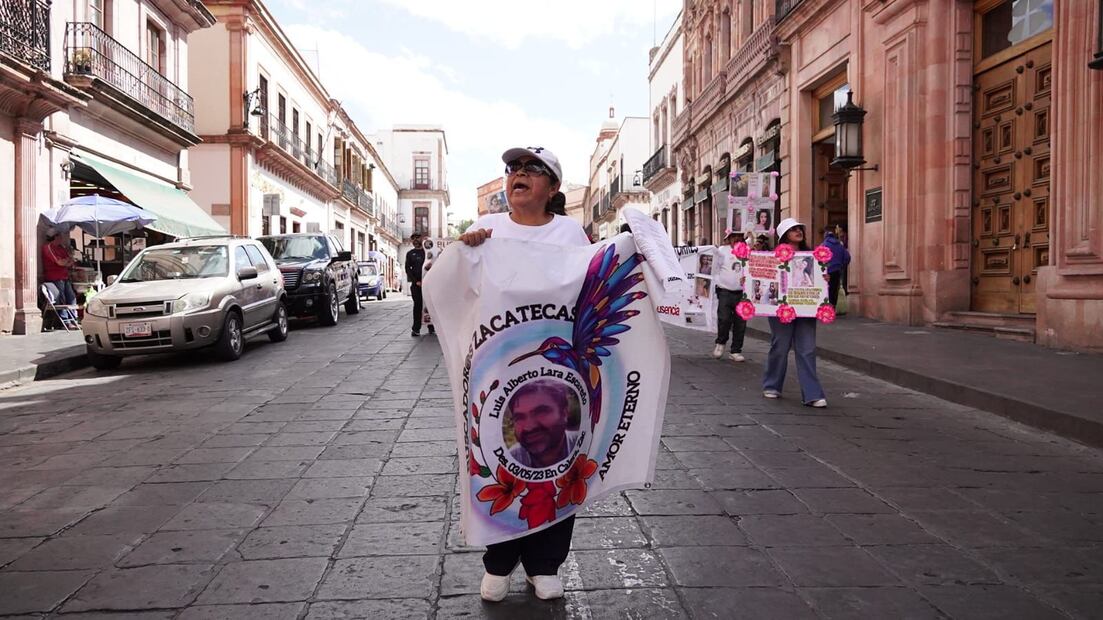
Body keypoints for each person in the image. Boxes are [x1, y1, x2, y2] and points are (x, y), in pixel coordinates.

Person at [459, 145, 589, 602]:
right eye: (513, 167)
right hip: (498, 373)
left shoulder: (571, 233)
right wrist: (464, 252)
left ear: (552, 188)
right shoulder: (486, 229)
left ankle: (544, 564)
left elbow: (592, 288)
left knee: (560, 464)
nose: (519, 174)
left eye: (533, 169)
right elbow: (456, 289)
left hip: (557, 373)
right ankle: (498, 562)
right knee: (498, 459)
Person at [762, 218, 827, 408]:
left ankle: (812, 394)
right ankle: (772, 385)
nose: (799, 231)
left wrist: (824, 278)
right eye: (793, 229)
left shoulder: (812, 257)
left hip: (806, 307)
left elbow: (816, 280)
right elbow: (763, 279)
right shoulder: (773, 257)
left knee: (807, 349)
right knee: (780, 346)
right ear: (784, 235)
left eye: (800, 228)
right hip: (781, 309)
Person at [507, 380, 579, 467]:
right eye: (519, 417)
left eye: (540, 412)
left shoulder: (584, 444)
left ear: (564, 412)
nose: (529, 427)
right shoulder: (511, 460)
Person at [712, 230, 746, 362]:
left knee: (740, 323)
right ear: (729, 238)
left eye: (739, 236)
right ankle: (721, 342)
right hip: (724, 291)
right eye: (734, 236)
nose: (737, 239)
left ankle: (736, 350)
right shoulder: (722, 251)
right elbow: (714, 268)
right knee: (724, 319)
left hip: (742, 293)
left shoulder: (747, 251)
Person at [41, 229, 78, 329]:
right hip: (55, 277)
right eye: (59, 236)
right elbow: (60, 262)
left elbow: (70, 261)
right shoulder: (48, 247)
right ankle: (65, 322)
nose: (61, 238)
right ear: (54, 237)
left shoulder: (62, 248)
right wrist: (66, 261)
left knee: (72, 297)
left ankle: (73, 319)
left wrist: (66, 261)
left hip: (65, 276)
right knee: (62, 299)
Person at [404, 233, 426, 337]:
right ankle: (416, 329)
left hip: (429, 284)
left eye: (417, 237)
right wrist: (416, 281)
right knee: (417, 306)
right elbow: (407, 269)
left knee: (431, 306)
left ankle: (432, 327)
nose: (415, 240)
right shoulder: (410, 254)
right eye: (413, 238)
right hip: (416, 285)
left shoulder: (427, 251)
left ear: (422, 239)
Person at [823, 225, 850, 306]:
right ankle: (833, 307)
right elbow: (847, 257)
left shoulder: (824, 245)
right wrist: (841, 265)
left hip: (826, 271)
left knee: (825, 290)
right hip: (837, 270)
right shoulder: (840, 245)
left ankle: (826, 308)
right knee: (834, 290)